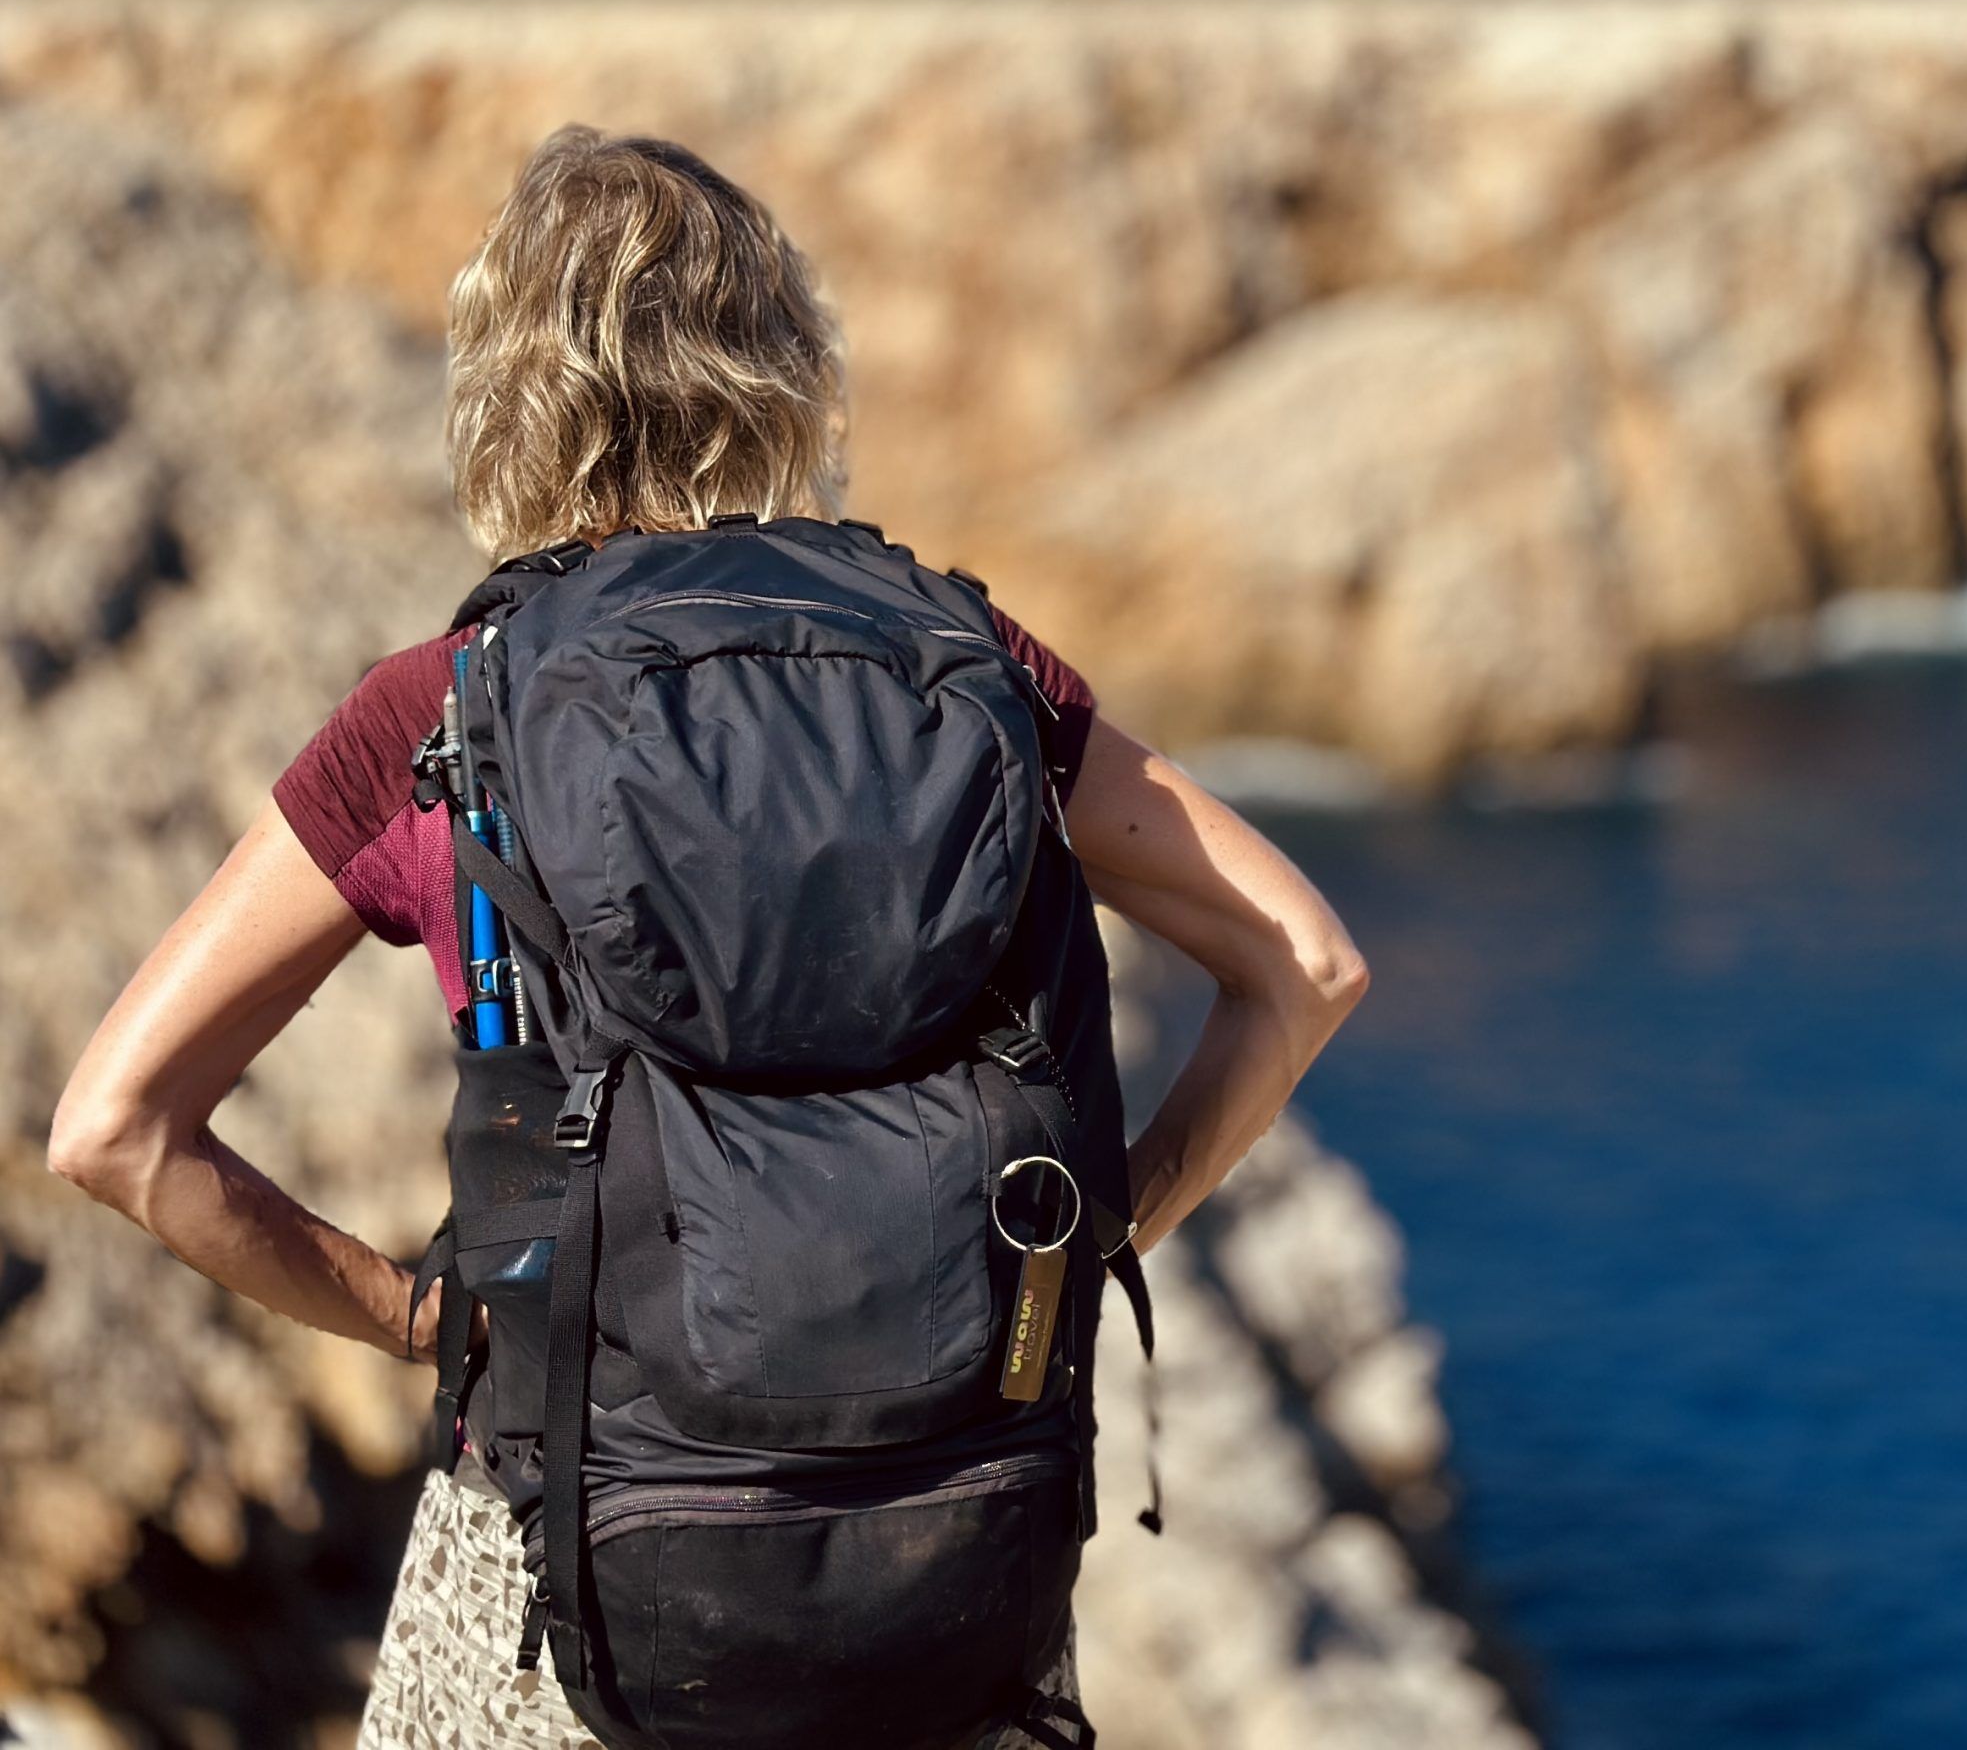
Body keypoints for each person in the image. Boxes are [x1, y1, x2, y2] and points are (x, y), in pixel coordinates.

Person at [48, 126, 1370, 1748]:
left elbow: (115, 1131)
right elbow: (1304, 965)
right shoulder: (971, 667)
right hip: (955, 1552)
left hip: (567, 1572)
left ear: (510, 393)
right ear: (782, 370)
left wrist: (422, 1324)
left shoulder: (446, 713)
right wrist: (1098, 1238)